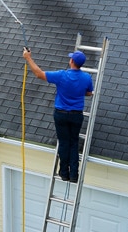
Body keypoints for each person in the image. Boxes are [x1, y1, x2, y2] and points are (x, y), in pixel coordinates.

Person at [23, 47, 93, 183]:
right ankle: (73, 175)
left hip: (61, 115)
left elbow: (38, 74)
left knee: (64, 143)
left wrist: (28, 58)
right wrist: (78, 91)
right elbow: (89, 93)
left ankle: (63, 172)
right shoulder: (86, 78)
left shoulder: (62, 75)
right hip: (76, 115)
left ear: (71, 61)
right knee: (73, 143)